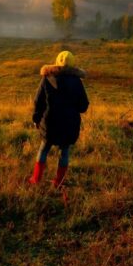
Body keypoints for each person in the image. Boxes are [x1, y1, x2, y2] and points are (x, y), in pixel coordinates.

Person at [29, 50, 89, 188]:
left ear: (56, 62)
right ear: (72, 64)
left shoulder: (46, 78)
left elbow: (38, 101)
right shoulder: (77, 82)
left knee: (43, 149)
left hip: (49, 123)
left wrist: (36, 119)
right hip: (69, 124)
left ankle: (36, 179)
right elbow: (83, 106)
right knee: (64, 152)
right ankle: (59, 182)